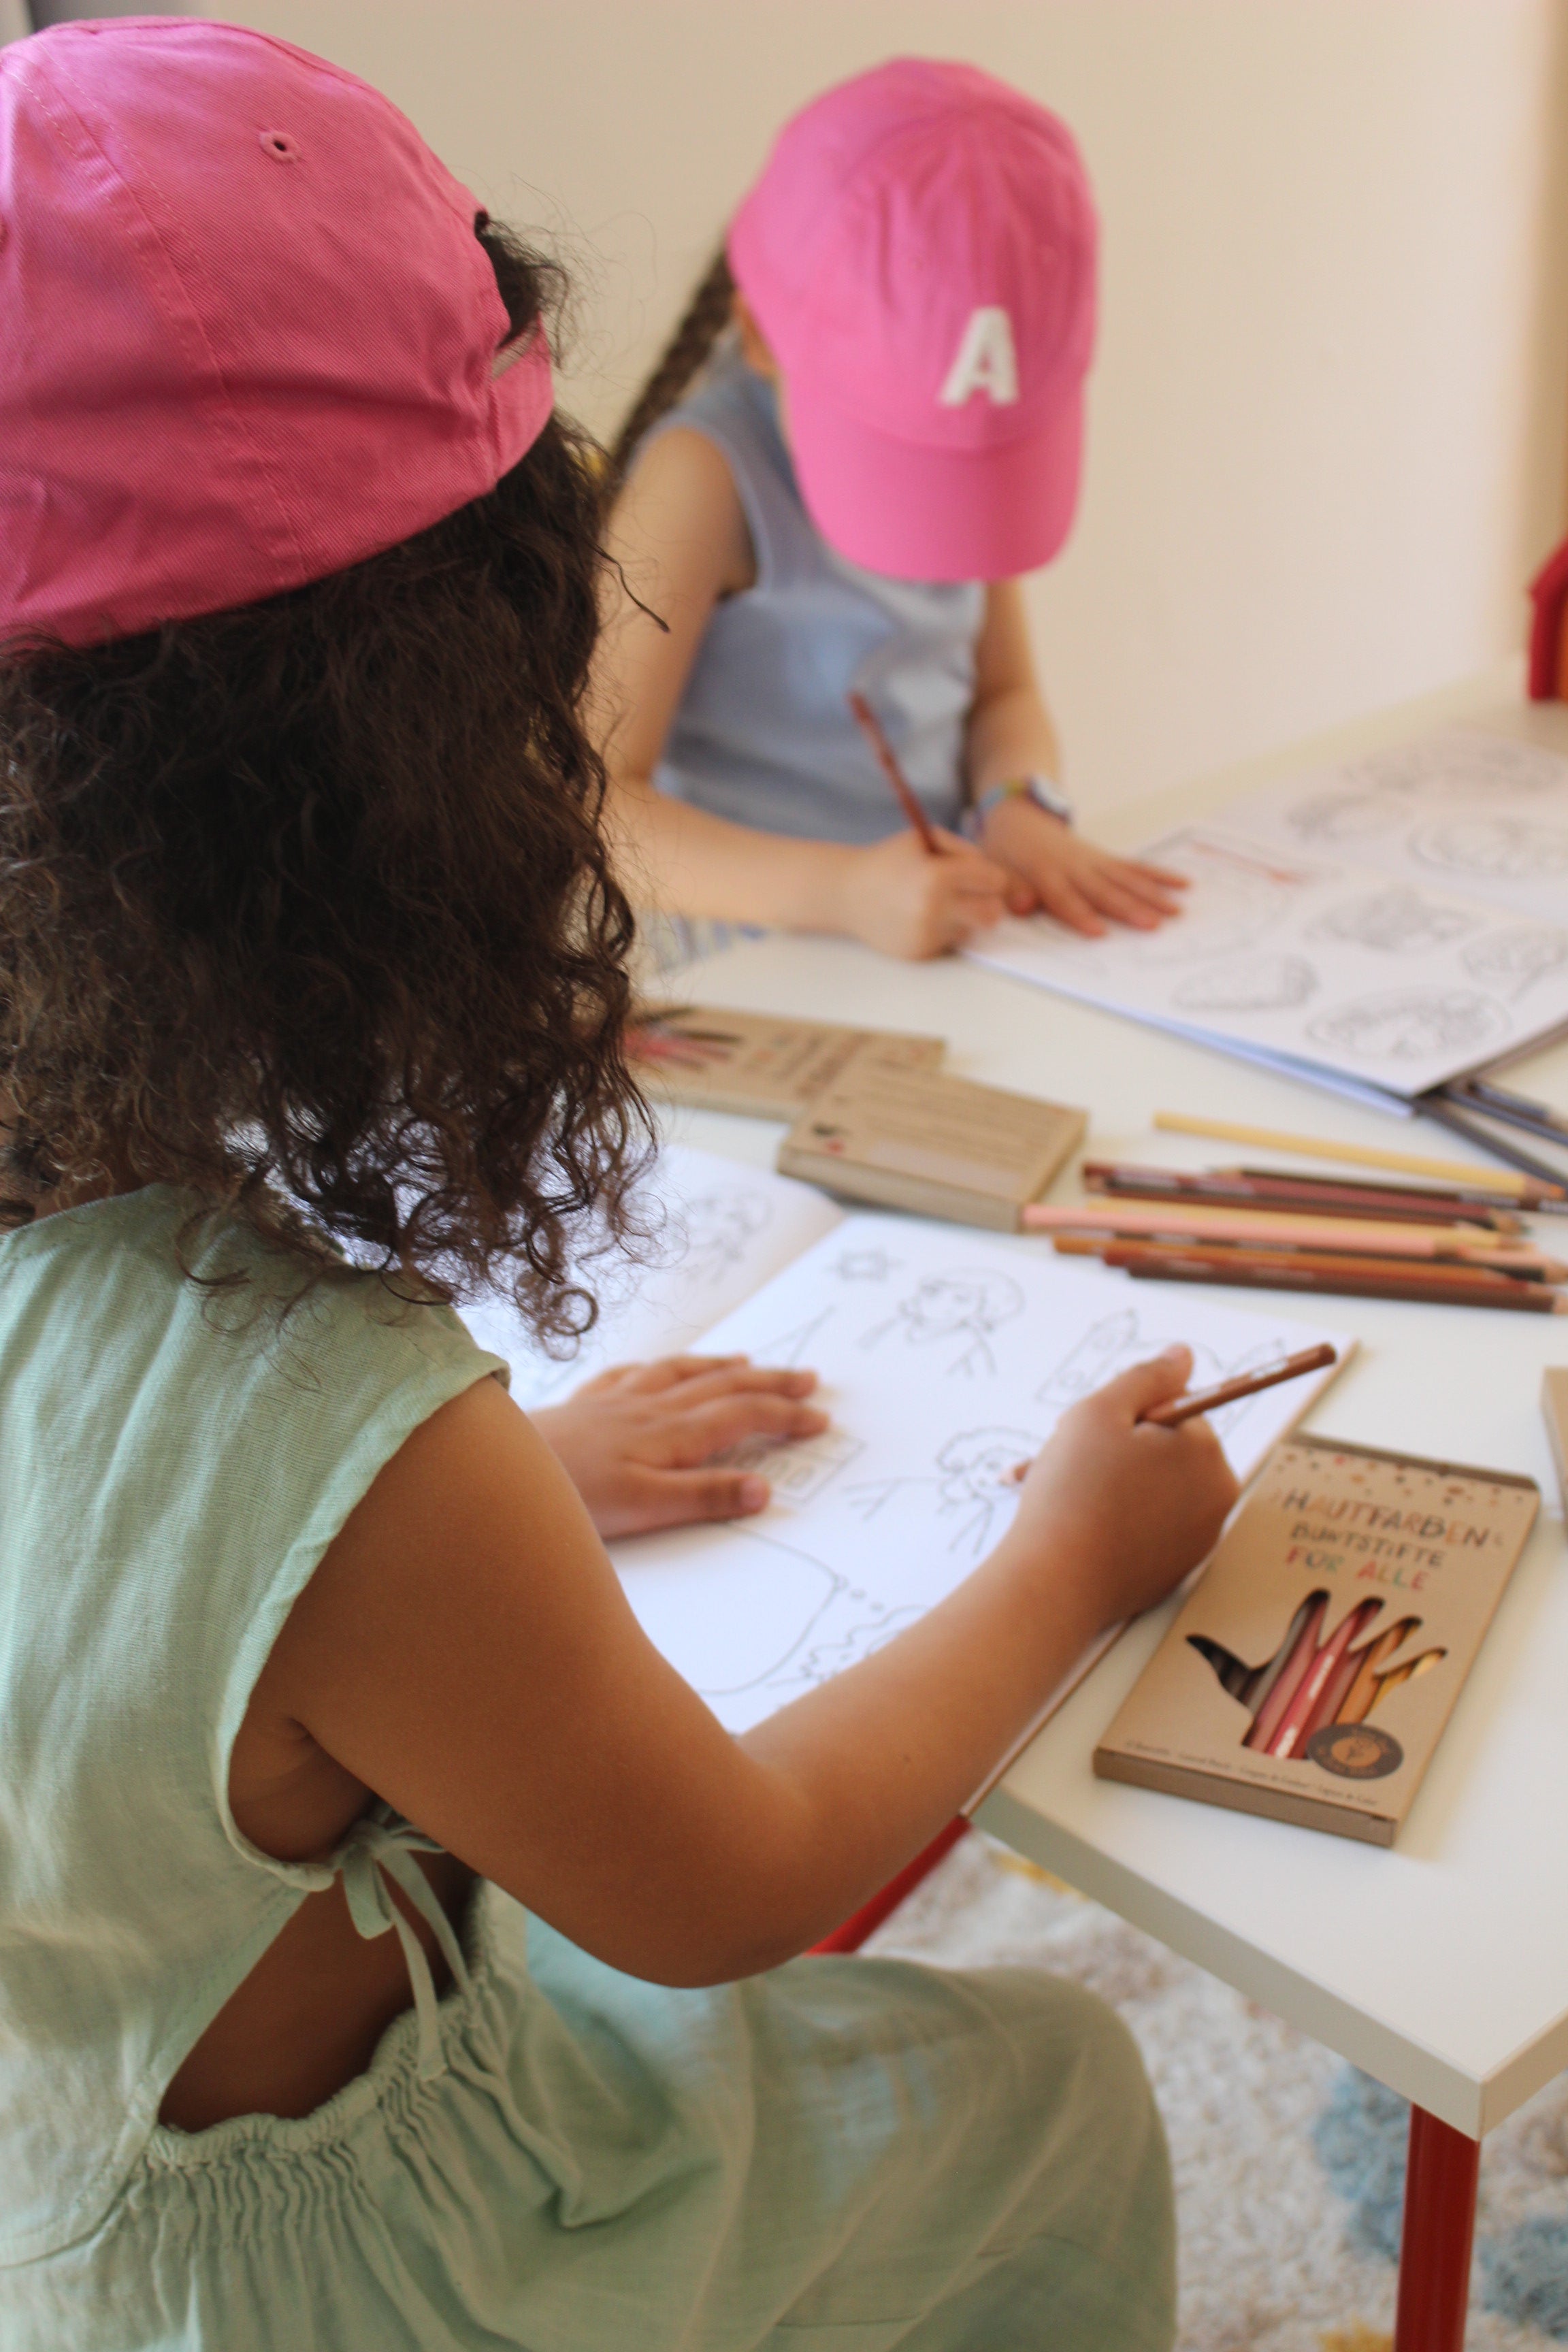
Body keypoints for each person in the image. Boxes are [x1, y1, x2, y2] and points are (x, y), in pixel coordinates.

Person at [0, 22, 1238, 2350]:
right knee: (1051, 2076)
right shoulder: (321, 1414)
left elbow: (153, 1641)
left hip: (71, 2208)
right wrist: (1074, 1555)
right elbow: (729, 1881)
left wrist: (512, 1494)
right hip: (387, 2280)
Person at [598, 58, 1188, 963]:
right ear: (762, 335)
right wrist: (842, 894)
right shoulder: (704, 476)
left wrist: (1017, 807)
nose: (942, 515)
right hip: (759, 974)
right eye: (906, 462)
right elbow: (595, 804)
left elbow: (1004, 692)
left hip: (940, 945)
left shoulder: (977, 449)